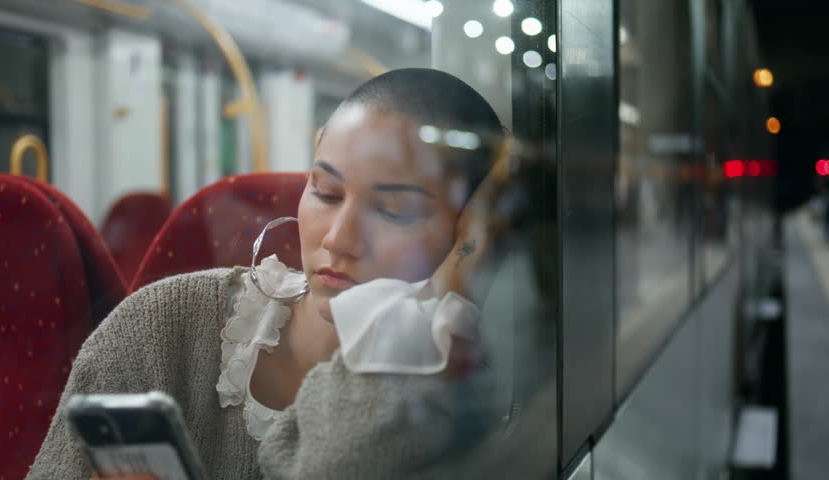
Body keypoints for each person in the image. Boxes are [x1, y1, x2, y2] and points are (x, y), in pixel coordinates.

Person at [26, 68, 509, 479]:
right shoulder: (160, 327)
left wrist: (437, 301)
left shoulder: (471, 393)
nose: (338, 239)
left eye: (396, 211)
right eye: (325, 192)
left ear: (471, 231)